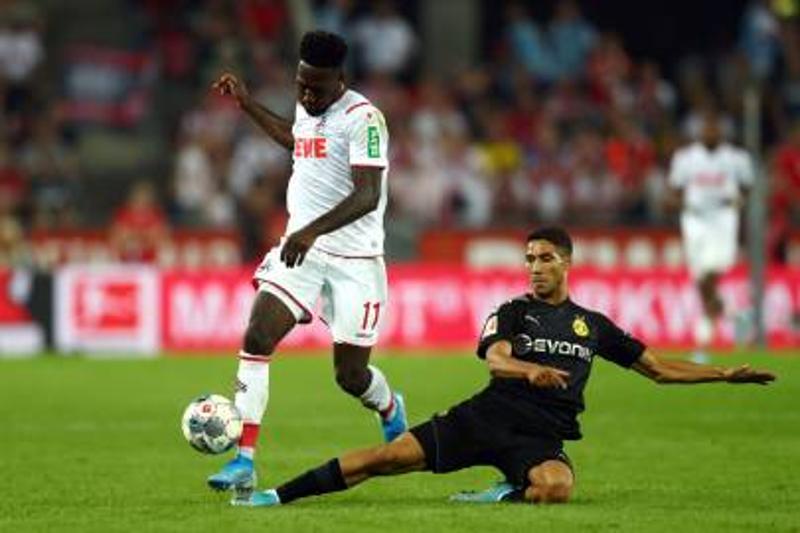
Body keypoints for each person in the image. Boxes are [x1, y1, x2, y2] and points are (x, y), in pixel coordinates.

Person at [231, 227, 775, 507]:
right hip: (484, 418)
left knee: (556, 489)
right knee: (385, 459)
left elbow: (656, 368)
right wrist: (527, 371)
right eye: (529, 259)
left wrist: (724, 375)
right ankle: (276, 496)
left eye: (545, 258)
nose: (535, 268)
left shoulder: (593, 325)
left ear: (567, 262)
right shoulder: (513, 311)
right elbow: (495, 358)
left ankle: (506, 490)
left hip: (538, 437)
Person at [207, 30, 407, 494]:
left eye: (316, 88)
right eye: (301, 85)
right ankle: (243, 461)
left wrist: (312, 228)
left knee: (350, 376)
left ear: (340, 80)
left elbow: (368, 194)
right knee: (257, 336)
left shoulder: (364, 119)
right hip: (303, 251)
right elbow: (298, 141)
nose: (306, 96)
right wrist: (247, 104)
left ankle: (389, 406)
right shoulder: (308, 106)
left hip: (356, 260)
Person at [668, 111, 754, 360]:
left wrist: (740, 200)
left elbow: (748, 185)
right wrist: (680, 203)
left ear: (721, 131)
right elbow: (674, 190)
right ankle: (733, 316)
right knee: (701, 279)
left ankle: (704, 340)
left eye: (714, 128)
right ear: (700, 131)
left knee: (710, 274)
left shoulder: (736, 158)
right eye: (707, 128)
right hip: (694, 221)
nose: (710, 132)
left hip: (723, 219)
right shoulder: (685, 158)